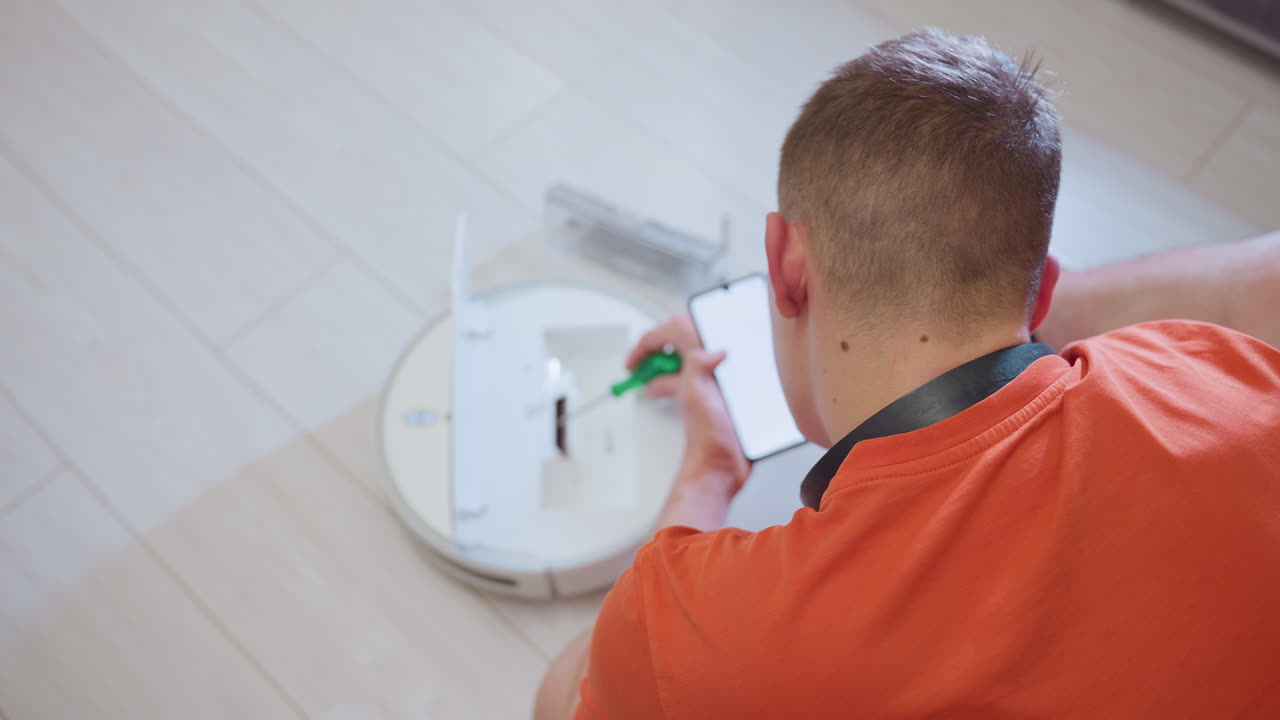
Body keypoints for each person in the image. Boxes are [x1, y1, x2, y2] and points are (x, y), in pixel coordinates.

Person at [534, 28, 1280, 719]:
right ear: (1045, 292)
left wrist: (706, 475)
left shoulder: (703, 626)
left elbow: (570, 700)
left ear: (786, 269)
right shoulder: (1223, 374)